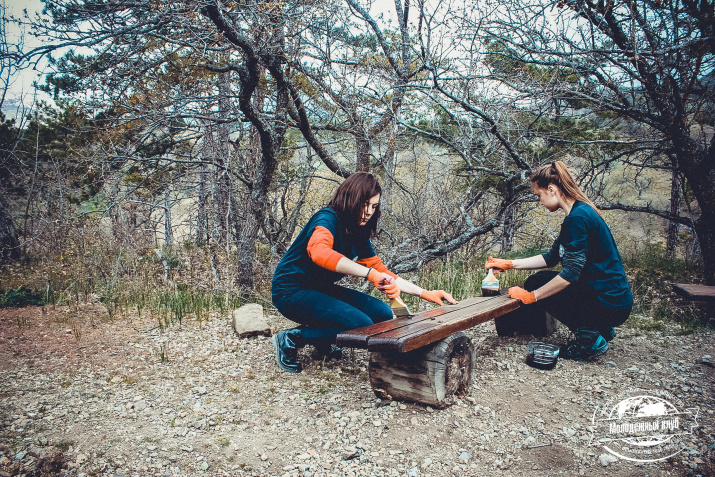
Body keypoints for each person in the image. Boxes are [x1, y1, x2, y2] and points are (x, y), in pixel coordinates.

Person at [271, 172, 458, 373]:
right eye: (364, 204)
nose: (368, 212)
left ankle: (321, 338)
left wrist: (424, 293)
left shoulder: (358, 229)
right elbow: (319, 252)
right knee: (359, 324)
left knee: (382, 314)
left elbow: (381, 271)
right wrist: (369, 274)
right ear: (349, 199)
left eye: (374, 206)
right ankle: (292, 337)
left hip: (319, 290)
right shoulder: (327, 219)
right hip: (290, 291)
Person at [486, 161, 633, 360]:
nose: (539, 201)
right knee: (538, 279)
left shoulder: (578, 219)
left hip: (609, 303)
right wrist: (509, 264)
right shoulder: (578, 214)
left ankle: (590, 339)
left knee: (538, 285)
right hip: (611, 299)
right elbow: (551, 258)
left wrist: (533, 297)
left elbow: (570, 274)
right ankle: (600, 328)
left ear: (552, 189)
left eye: (539, 196)